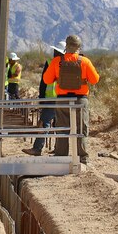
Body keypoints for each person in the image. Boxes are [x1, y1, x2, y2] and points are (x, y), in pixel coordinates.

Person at [43, 34, 99, 165]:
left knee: (62, 129)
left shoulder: (57, 61)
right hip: (80, 101)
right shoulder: (85, 61)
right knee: (81, 130)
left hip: (62, 101)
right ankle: (82, 159)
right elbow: (95, 80)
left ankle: (60, 157)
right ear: (79, 47)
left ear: (66, 46)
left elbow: (46, 80)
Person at [22, 41, 65, 157]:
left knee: (44, 123)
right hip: (62, 99)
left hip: (50, 98)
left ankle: (37, 148)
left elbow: (43, 82)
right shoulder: (68, 63)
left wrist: (41, 97)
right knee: (59, 124)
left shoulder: (50, 63)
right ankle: (59, 149)